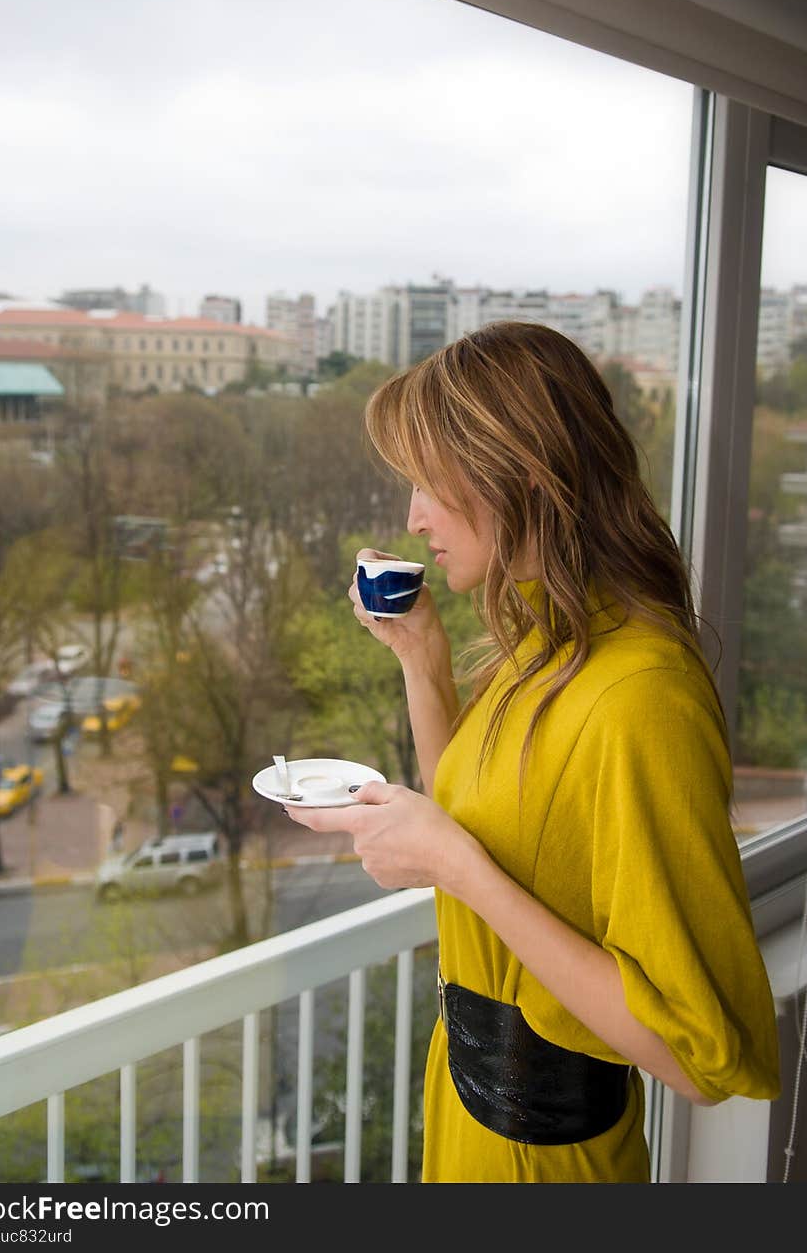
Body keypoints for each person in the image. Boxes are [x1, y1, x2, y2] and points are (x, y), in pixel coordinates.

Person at [286, 320, 780, 1183]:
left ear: (514, 472)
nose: (413, 516)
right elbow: (476, 815)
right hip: (465, 1120)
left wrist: (458, 867)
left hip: (544, 1165)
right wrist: (421, 656)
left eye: (429, 482)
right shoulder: (550, 645)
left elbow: (692, 1051)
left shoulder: (641, 697)